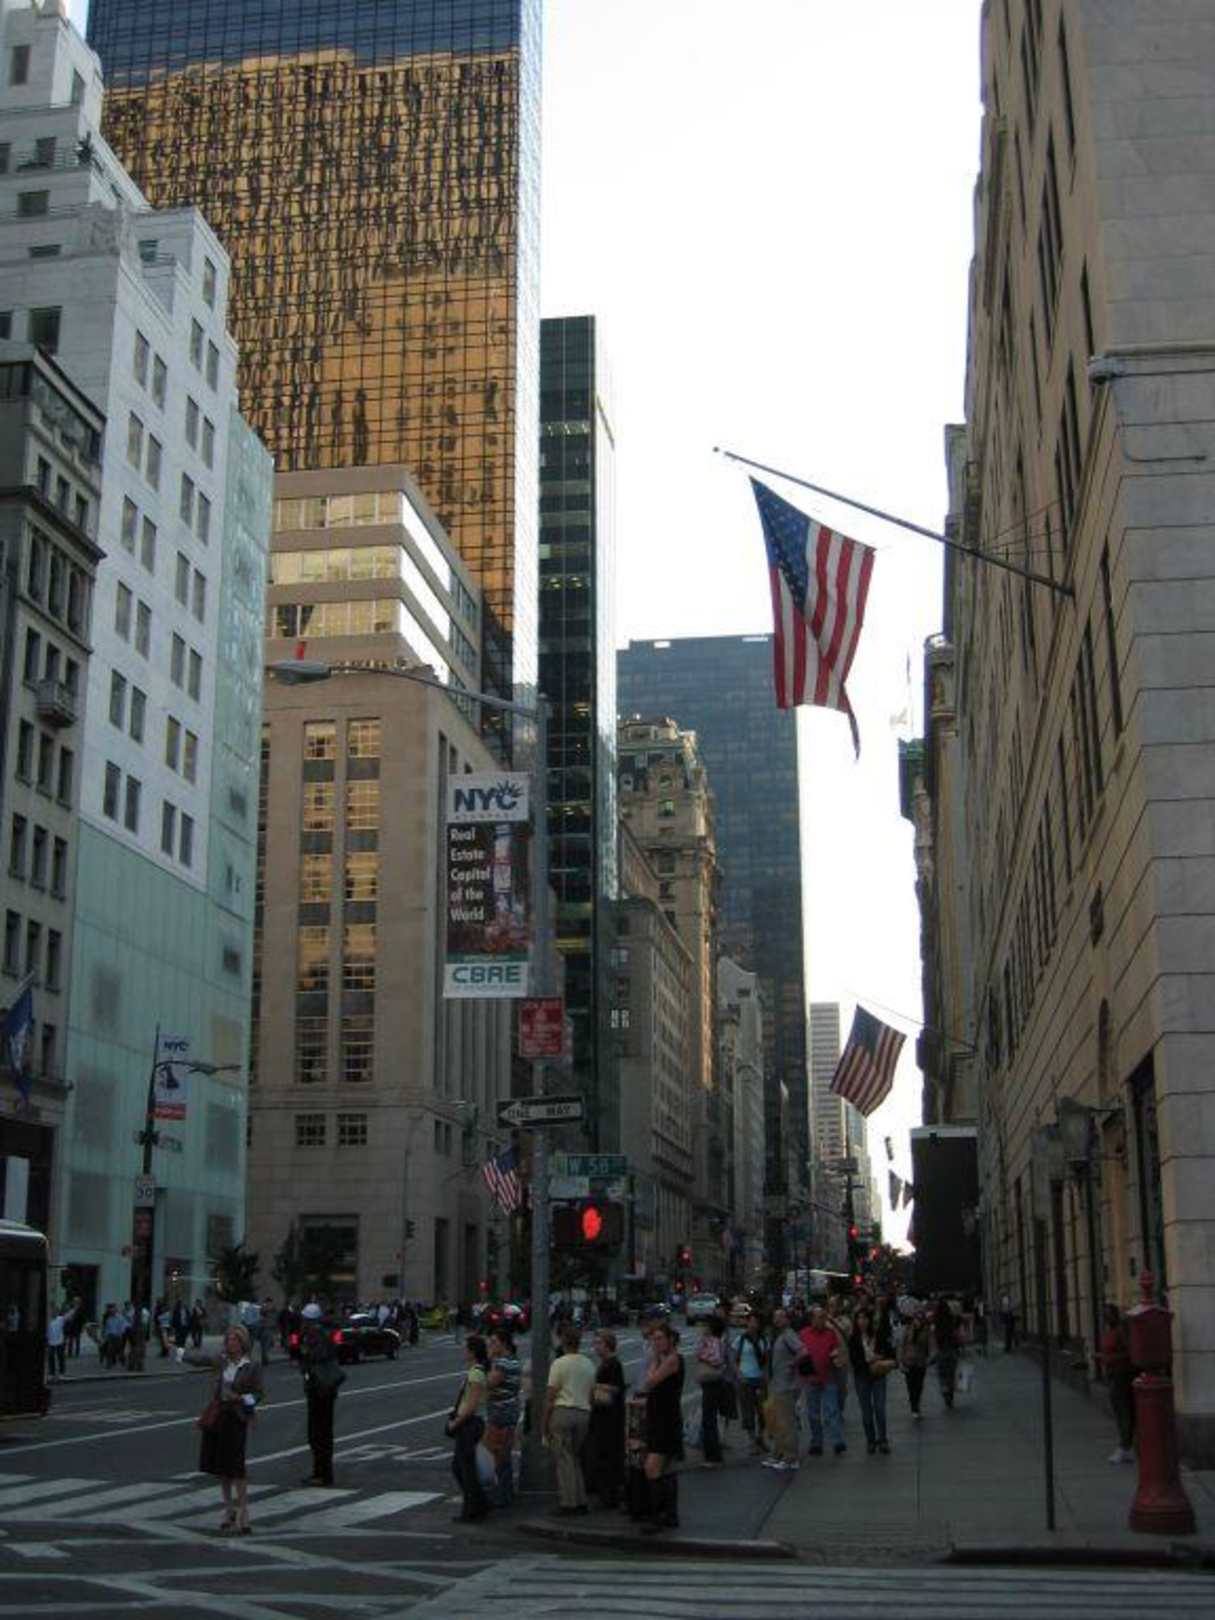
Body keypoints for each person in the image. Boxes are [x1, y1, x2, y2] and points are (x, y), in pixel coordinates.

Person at [177, 1325, 263, 1534]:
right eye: (228, 1340)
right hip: (219, 1415)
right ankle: (228, 1509)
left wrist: (241, 1398)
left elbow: (258, 1393)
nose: (230, 1344)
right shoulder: (221, 1360)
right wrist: (178, 1351)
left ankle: (244, 1511)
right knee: (222, 1466)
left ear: (242, 1343)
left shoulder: (251, 1365)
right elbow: (200, 1359)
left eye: (234, 1340)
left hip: (237, 1417)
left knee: (237, 1465)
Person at [543, 1324, 596, 1515]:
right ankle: (581, 1500)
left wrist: (544, 1423)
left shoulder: (559, 1364)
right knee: (575, 1458)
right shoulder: (588, 1364)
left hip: (563, 1412)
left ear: (563, 1342)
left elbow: (550, 1397)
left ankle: (568, 1503)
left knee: (563, 1460)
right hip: (584, 1413)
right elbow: (592, 1394)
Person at [640, 1321, 685, 1534]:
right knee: (665, 1467)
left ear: (670, 1339)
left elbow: (650, 1381)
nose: (655, 1343)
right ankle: (670, 1515)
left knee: (652, 1467)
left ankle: (656, 1517)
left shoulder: (672, 1360)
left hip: (666, 1419)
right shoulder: (665, 1359)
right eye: (653, 1339)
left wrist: (654, 1360)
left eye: (659, 1338)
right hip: (660, 1416)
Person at [298, 1302, 343, 1486]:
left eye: (304, 1319)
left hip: (319, 1389)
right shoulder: (325, 1332)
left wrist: (305, 1353)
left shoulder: (315, 1335)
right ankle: (322, 1472)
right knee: (322, 1433)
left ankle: (322, 1474)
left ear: (309, 1320)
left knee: (318, 1434)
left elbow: (315, 1357)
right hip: (325, 1388)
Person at [447, 1335, 491, 1522]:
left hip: (470, 1423)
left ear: (472, 1352)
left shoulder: (476, 1373)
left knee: (465, 1469)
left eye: (466, 1348)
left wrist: (456, 1422)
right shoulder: (476, 1371)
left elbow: (471, 1404)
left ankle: (474, 1509)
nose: (463, 1351)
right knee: (461, 1467)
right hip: (471, 1422)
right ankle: (479, 1504)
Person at [583, 1328, 626, 1508]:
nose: (595, 1346)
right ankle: (607, 1493)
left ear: (608, 1345)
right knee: (604, 1455)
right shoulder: (606, 1363)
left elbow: (616, 1388)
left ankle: (609, 1495)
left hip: (608, 1417)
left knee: (606, 1455)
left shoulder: (612, 1364)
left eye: (599, 1343)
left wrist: (596, 1388)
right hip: (605, 1415)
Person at [798, 1304, 847, 1457]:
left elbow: (838, 1350)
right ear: (812, 1319)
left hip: (828, 1378)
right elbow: (799, 1356)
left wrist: (836, 1356)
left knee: (832, 1411)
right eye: (819, 1317)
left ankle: (838, 1441)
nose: (822, 1320)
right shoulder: (803, 1334)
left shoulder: (830, 1333)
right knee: (813, 1414)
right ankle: (816, 1442)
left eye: (824, 1317)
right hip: (811, 1379)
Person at [763, 1308, 804, 1470]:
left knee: (787, 1422)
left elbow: (802, 1351)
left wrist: (791, 1365)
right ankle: (779, 1453)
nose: (777, 1320)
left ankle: (791, 1457)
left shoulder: (789, 1335)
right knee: (778, 1421)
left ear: (787, 1319)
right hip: (778, 1384)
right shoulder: (780, 1335)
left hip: (787, 1385)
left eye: (780, 1317)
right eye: (775, 1317)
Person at [849, 1304, 894, 1454]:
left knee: (880, 1409)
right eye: (859, 1318)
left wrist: (881, 1358)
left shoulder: (878, 1336)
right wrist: (870, 1360)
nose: (862, 1321)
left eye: (864, 1318)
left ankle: (883, 1440)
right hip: (862, 1377)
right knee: (866, 1411)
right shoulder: (853, 1339)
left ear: (869, 1320)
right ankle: (871, 1441)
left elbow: (890, 1352)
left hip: (878, 1376)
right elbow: (855, 1361)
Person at [484, 1327, 521, 1507]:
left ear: (503, 1344)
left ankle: (501, 1495)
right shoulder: (514, 1360)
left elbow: (489, 1383)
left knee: (497, 1454)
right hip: (509, 1410)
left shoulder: (502, 1363)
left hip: (500, 1412)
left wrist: (490, 1359)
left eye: (494, 1342)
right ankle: (506, 1492)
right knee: (503, 1453)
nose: (490, 1345)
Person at [1099, 1303, 1136, 1463]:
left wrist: (1109, 1358)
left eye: (1109, 1314)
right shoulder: (1110, 1331)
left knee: (1124, 1412)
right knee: (1120, 1412)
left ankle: (1125, 1446)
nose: (1106, 1318)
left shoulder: (1121, 1331)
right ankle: (1126, 1446)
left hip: (1122, 1376)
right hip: (1113, 1375)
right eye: (1104, 1315)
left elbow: (1130, 1353)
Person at [694, 1315, 728, 1467]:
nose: (703, 1328)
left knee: (709, 1418)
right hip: (710, 1382)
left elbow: (717, 1359)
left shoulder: (715, 1341)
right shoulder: (707, 1340)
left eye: (705, 1325)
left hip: (713, 1382)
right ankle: (712, 1454)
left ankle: (712, 1456)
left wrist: (703, 1356)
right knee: (709, 1417)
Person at [736, 1311, 770, 1455]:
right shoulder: (740, 1340)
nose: (753, 1325)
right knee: (748, 1411)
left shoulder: (764, 1340)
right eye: (751, 1321)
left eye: (756, 1322)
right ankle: (752, 1441)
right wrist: (739, 1374)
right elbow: (734, 1359)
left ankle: (760, 1437)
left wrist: (766, 1375)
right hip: (745, 1379)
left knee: (763, 1411)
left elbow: (767, 1360)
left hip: (760, 1379)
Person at [900, 1305, 932, 1419]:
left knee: (918, 1386)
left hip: (920, 1362)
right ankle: (914, 1407)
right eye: (916, 1317)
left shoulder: (927, 1330)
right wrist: (901, 1360)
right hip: (908, 1361)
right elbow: (902, 1345)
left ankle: (916, 1404)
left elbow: (930, 1345)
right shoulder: (908, 1329)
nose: (918, 1320)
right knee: (910, 1386)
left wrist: (929, 1358)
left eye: (920, 1317)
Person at [932, 1298, 960, 1409]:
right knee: (951, 1375)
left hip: (940, 1352)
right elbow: (957, 1335)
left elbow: (933, 1338)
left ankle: (945, 1393)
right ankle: (950, 1397)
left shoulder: (935, 1322)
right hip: (952, 1351)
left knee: (942, 1376)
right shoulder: (952, 1320)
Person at [46, 1307, 66, 1380]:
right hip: (51, 1342)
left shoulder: (60, 1319)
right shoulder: (48, 1320)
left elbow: (68, 1316)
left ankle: (61, 1373)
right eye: (52, 1311)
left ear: (57, 1313)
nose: (53, 1313)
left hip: (60, 1342)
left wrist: (75, 1309)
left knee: (61, 1357)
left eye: (55, 1312)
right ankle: (52, 1373)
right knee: (51, 1358)